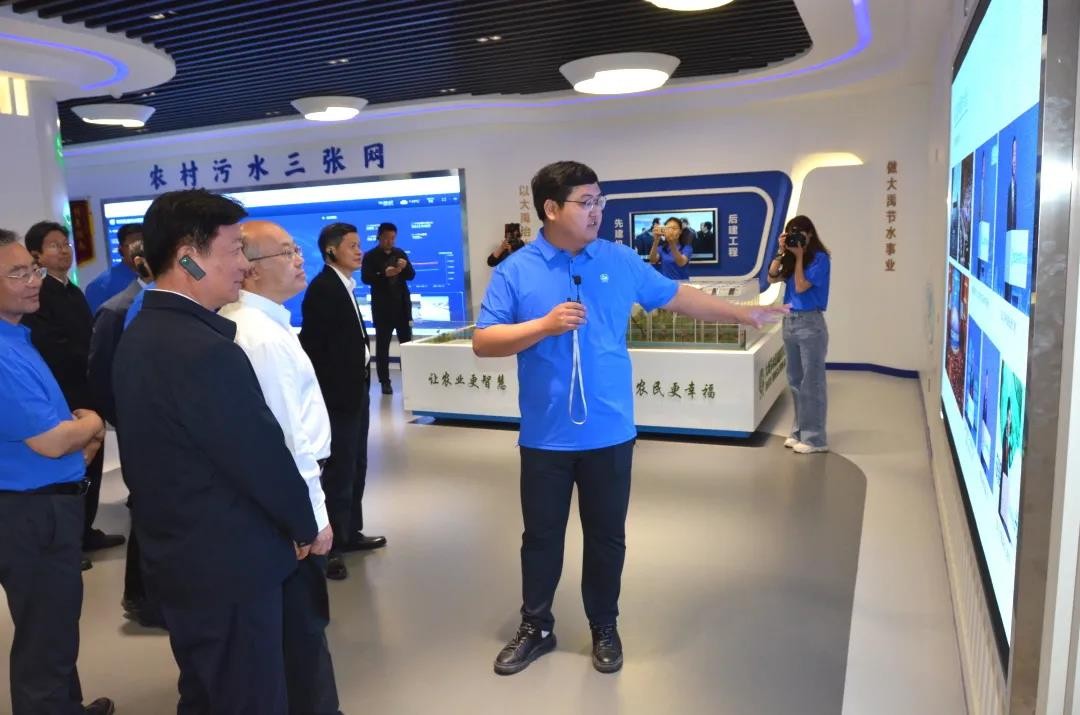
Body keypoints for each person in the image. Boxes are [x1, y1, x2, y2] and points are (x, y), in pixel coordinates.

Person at [473, 161, 787, 676]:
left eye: (600, 201)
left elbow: (678, 296)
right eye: (586, 202)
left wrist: (743, 313)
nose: (597, 211)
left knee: (606, 537)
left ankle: (604, 624)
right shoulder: (516, 270)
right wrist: (544, 325)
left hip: (610, 432)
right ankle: (536, 625)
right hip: (546, 437)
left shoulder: (619, 259)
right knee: (541, 538)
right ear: (551, 209)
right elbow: (485, 341)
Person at [112, 189, 318, 714]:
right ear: (188, 258)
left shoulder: (143, 332)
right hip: (230, 566)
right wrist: (303, 524)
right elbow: (258, 458)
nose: (244, 266)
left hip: (182, 559)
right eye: (233, 251)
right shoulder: (204, 350)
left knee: (207, 692)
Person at [220, 220, 340, 715]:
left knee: (297, 625)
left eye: (296, 249)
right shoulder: (259, 336)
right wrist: (313, 518)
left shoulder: (267, 323)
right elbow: (288, 439)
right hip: (292, 497)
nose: (299, 259)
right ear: (250, 270)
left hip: (285, 494)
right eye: (286, 252)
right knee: (302, 627)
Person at [0, 228, 115, 715]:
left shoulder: (18, 336)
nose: (34, 281)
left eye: (32, 269)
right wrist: (92, 424)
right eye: (18, 273)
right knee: (44, 638)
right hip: (30, 513)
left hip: (45, 503)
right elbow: (50, 440)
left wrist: (80, 436)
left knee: (56, 625)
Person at [22, 221, 125, 555]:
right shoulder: (40, 294)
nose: (64, 250)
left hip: (86, 388)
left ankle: (85, 531)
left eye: (65, 243)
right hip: (64, 393)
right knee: (72, 467)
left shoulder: (72, 290)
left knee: (92, 464)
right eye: (54, 245)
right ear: (36, 255)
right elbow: (52, 345)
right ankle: (70, 541)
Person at [300, 222, 386, 583]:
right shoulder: (323, 289)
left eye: (359, 244)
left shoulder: (344, 285)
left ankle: (350, 531)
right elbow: (316, 349)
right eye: (352, 245)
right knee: (338, 471)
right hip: (337, 398)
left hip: (355, 391)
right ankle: (332, 547)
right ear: (331, 250)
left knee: (356, 464)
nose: (359, 250)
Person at [86, 239, 162, 628]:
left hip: (156, 429)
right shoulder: (118, 309)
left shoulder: (161, 304)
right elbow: (102, 380)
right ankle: (141, 598)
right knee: (148, 508)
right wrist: (128, 422)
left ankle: (144, 596)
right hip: (141, 430)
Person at [767, 214, 831, 454]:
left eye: (799, 231)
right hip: (790, 322)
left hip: (810, 323)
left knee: (812, 382)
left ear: (810, 234)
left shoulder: (820, 258)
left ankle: (816, 439)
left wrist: (801, 255)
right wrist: (781, 251)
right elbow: (771, 277)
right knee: (795, 380)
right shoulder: (791, 257)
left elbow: (802, 286)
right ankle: (799, 431)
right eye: (791, 231)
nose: (795, 235)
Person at [361, 221, 415, 395]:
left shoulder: (400, 253)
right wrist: (384, 274)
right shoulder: (370, 256)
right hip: (382, 309)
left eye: (392, 238)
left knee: (406, 345)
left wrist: (405, 267)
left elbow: (411, 276)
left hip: (402, 308)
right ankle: (385, 382)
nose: (389, 241)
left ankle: (410, 378)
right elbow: (366, 278)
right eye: (386, 238)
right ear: (379, 237)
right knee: (382, 347)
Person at [85, 222, 143, 313]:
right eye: (133, 245)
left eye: (143, 244)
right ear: (120, 249)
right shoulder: (100, 287)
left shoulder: (158, 278)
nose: (140, 250)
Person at [648, 216, 694, 280]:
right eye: (668, 228)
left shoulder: (687, 248)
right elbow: (652, 260)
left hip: (682, 284)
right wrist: (656, 240)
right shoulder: (662, 248)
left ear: (680, 231)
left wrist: (671, 242)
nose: (671, 231)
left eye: (674, 228)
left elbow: (681, 262)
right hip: (666, 283)